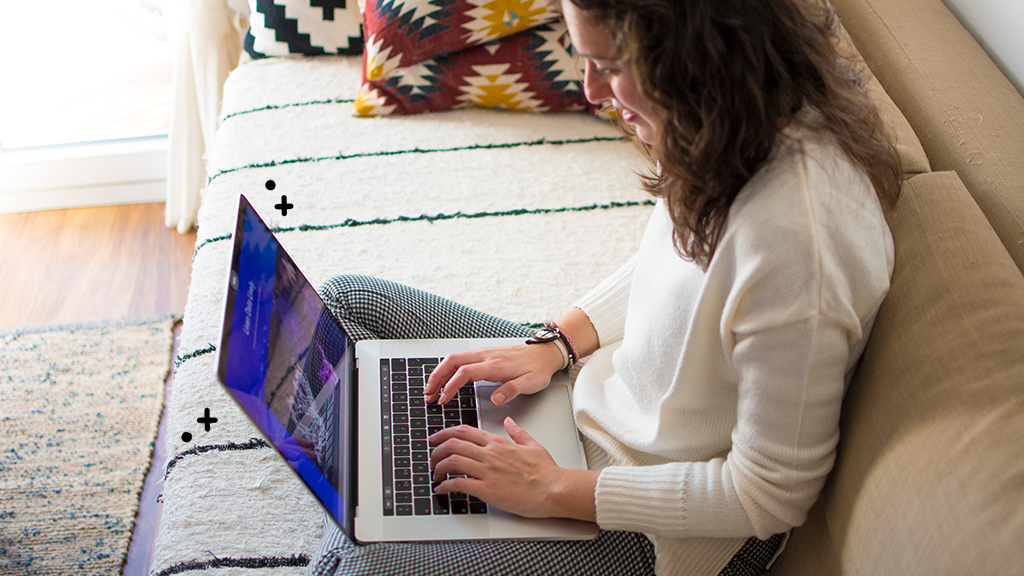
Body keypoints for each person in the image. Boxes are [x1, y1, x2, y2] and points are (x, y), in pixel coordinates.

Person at [309, 0, 901, 574]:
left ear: (693, 53)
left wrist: (553, 488)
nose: (591, 90)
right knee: (345, 304)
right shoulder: (733, 122)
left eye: (612, 67)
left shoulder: (797, 242)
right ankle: (388, 485)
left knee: (350, 563)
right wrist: (554, 344)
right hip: (595, 394)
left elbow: (767, 497)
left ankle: (387, 497)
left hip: (654, 526)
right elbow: (674, 268)